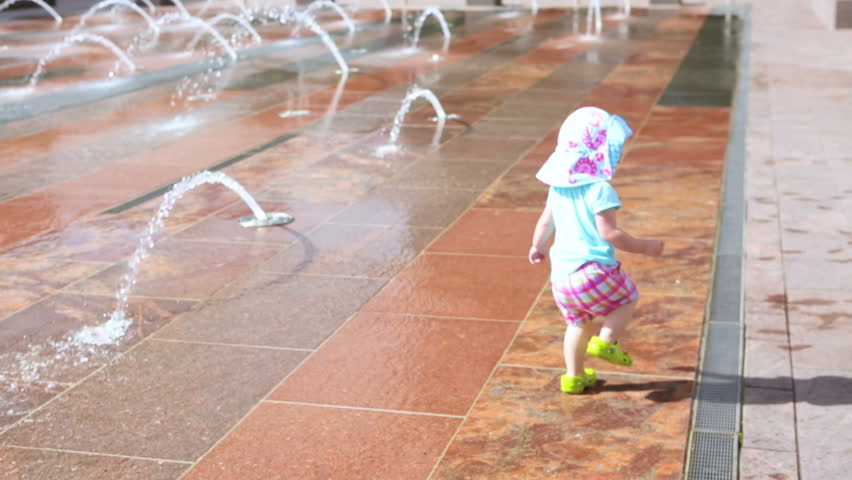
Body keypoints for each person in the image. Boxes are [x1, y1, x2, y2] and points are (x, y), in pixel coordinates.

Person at [528, 107, 664, 394]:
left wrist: (536, 247)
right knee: (627, 298)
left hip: (562, 277)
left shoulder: (558, 188)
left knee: (577, 323)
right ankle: (605, 341)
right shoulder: (600, 189)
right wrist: (645, 246)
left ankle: (574, 377)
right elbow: (610, 233)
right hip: (593, 270)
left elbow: (544, 222)